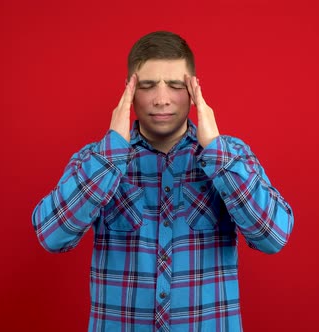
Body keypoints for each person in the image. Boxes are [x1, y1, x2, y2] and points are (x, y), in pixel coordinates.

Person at [32, 31, 294, 332]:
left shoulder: (232, 157)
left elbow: (273, 237)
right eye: (147, 86)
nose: (161, 99)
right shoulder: (95, 160)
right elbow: (51, 236)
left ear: (194, 91)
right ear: (130, 92)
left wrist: (216, 152)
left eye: (175, 86)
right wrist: (111, 154)